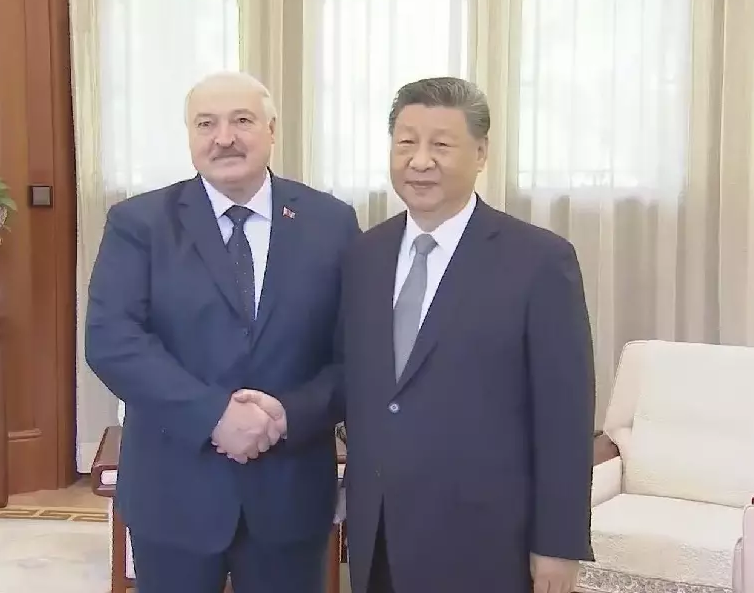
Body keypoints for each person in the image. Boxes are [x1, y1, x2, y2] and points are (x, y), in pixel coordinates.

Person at [240, 76, 597, 593]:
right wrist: (284, 412)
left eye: (441, 145)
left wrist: (558, 544)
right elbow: (352, 376)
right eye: (406, 143)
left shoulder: (539, 261)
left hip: (488, 539)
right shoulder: (365, 255)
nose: (420, 161)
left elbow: (565, 417)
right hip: (380, 530)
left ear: (481, 153)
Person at [85, 71, 360, 593]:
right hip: (173, 491)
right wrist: (214, 415)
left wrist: (289, 415)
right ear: (190, 135)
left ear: (272, 129)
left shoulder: (331, 223)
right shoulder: (139, 223)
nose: (224, 138)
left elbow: (357, 354)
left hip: (290, 491)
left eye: (242, 121)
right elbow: (112, 341)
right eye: (206, 124)